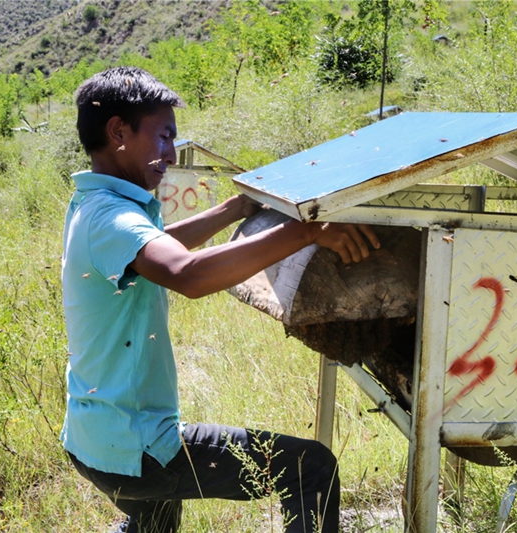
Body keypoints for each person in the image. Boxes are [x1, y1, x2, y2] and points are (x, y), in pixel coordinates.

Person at [60, 66, 380, 533]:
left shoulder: (94, 204)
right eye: (163, 136)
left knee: (155, 522)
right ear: (118, 132)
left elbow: (158, 245)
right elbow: (186, 274)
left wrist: (236, 207)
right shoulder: (113, 218)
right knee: (311, 469)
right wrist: (307, 231)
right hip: (140, 448)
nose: (170, 154)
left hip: (95, 440)